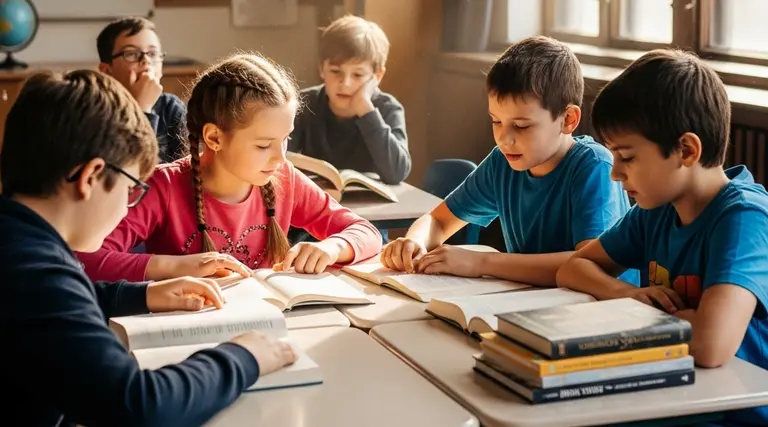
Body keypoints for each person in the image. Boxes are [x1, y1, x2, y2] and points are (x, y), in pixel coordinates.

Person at [3, 70, 296, 427]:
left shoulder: (18, 244)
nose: (129, 204)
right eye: (131, 188)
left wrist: (143, 295)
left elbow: (60, 304)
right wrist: (244, 356)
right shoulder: (35, 272)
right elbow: (140, 407)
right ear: (90, 177)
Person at [556, 49, 767, 426]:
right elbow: (574, 267)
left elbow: (711, 346)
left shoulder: (744, 218)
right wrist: (628, 295)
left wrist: (644, 316)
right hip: (668, 394)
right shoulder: (654, 211)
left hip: (731, 413)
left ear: (686, 150)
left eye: (627, 156)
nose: (615, 173)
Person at [77, 52, 383, 283]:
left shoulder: (283, 178)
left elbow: (365, 231)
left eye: (285, 139)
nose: (280, 157)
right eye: (263, 145)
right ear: (214, 137)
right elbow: (83, 260)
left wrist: (332, 247)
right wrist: (178, 267)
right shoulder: (164, 187)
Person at [380, 36, 638, 287]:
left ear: (568, 119)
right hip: (535, 305)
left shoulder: (594, 166)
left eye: (522, 126)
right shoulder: (502, 163)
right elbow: (439, 220)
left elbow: (589, 265)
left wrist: (482, 263)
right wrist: (413, 242)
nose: (504, 139)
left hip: (604, 313)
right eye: (496, 121)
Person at [288, 14, 411, 185]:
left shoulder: (388, 109)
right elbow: (279, 161)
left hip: (371, 207)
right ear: (321, 69)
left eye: (358, 75)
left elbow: (397, 172)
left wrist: (366, 111)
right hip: (317, 203)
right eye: (336, 71)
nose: (345, 84)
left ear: (377, 76)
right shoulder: (304, 103)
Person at [97, 16, 186, 163]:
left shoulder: (171, 107)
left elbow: (186, 168)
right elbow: (129, 172)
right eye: (131, 54)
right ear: (106, 70)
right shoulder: (98, 112)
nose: (146, 61)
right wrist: (142, 109)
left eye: (152, 54)